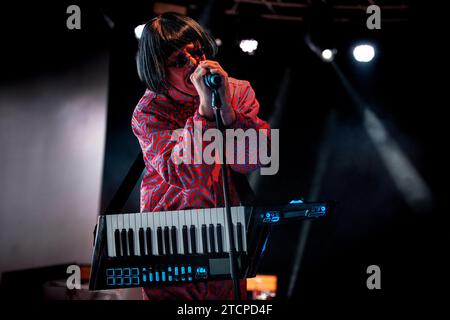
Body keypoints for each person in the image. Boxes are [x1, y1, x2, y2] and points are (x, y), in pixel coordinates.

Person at [132, 12, 271, 300]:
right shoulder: (149, 111)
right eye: (180, 61)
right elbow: (190, 176)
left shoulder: (237, 90)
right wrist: (206, 112)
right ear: (159, 70)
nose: (196, 64)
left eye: (198, 52)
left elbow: (252, 159)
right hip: (167, 242)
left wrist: (229, 113)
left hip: (225, 237)